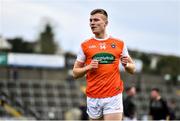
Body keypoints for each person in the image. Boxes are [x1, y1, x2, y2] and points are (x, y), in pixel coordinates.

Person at [73, 8, 136, 120]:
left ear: (105, 23)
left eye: (96, 20)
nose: (92, 23)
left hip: (113, 95)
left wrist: (126, 65)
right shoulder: (85, 45)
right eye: (91, 20)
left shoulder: (119, 44)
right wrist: (88, 67)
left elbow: (132, 68)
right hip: (93, 96)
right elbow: (75, 73)